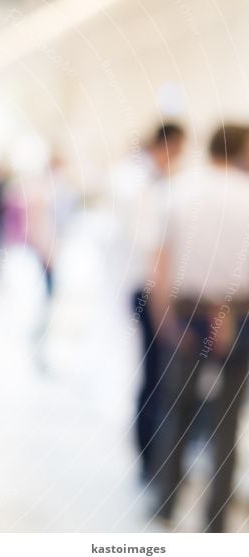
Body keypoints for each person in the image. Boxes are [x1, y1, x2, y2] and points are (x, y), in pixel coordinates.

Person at [150, 124, 249, 532]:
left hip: (188, 312)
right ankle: (216, 518)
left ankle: (165, 503)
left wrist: (161, 318)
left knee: (176, 409)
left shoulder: (177, 190)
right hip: (240, 315)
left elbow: (160, 262)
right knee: (227, 418)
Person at [110, 123, 186, 481]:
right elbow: (149, 244)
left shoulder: (152, 182)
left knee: (158, 374)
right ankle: (150, 459)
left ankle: (156, 457)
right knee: (156, 375)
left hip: (148, 285)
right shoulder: (141, 184)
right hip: (148, 288)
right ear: (167, 146)